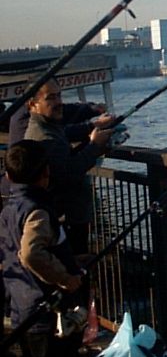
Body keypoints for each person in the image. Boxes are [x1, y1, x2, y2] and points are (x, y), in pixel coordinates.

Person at [0, 139, 87, 357]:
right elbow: (31, 253)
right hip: (44, 311)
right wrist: (66, 280)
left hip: (21, 306)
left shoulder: (10, 207)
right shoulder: (36, 210)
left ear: (9, 176)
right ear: (45, 173)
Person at [23, 80, 114, 255]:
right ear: (32, 104)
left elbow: (65, 133)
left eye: (59, 95)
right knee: (74, 268)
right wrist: (95, 146)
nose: (58, 102)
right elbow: (69, 173)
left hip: (68, 216)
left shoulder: (46, 126)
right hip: (66, 218)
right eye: (51, 98)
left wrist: (94, 126)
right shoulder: (44, 137)